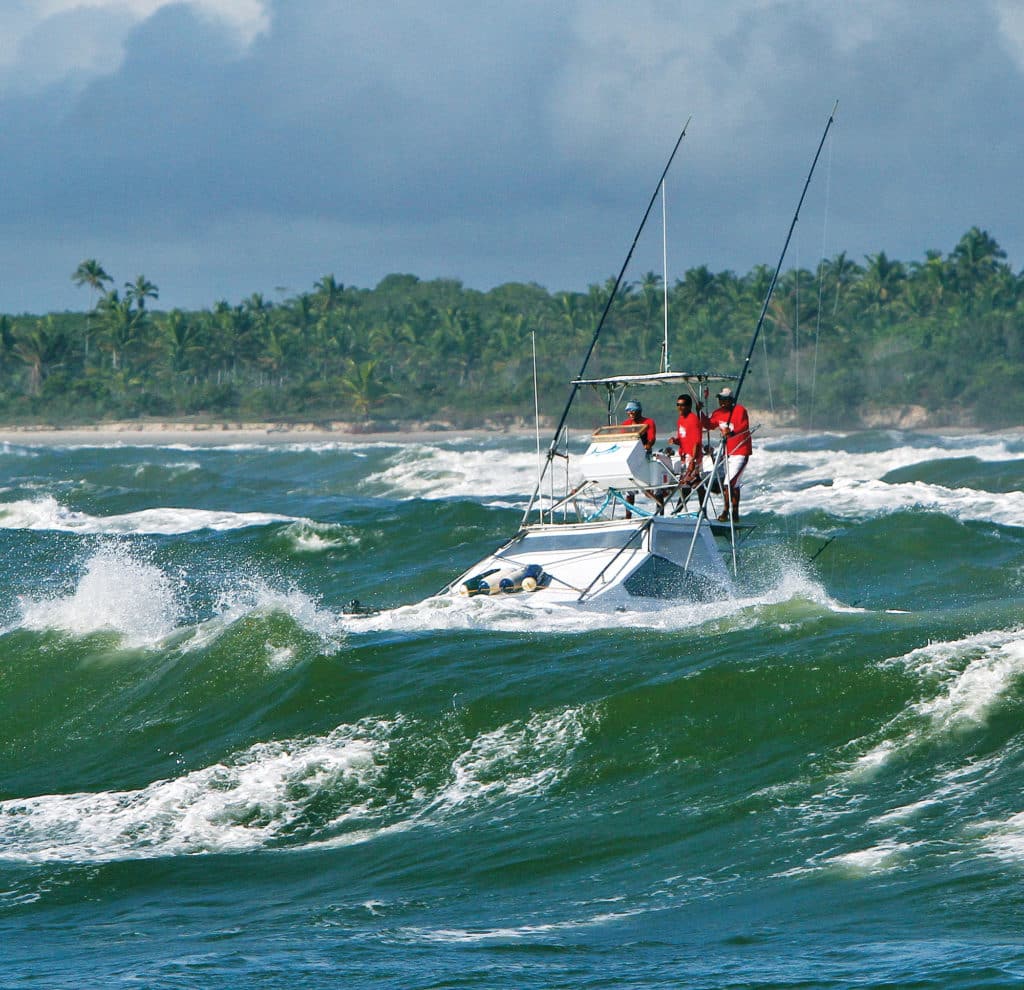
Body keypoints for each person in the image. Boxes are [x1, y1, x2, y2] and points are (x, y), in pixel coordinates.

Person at [700, 386, 751, 522]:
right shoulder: (718, 413)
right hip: (727, 453)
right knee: (732, 484)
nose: (722, 402)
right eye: (720, 399)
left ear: (731, 400)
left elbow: (744, 426)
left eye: (725, 399)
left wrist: (731, 433)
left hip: (740, 451)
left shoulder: (739, 410)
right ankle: (735, 512)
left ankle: (726, 511)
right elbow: (709, 425)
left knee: (729, 482)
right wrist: (700, 412)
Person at [622, 399, 656, 518]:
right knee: (629, 489)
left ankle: (659, 512)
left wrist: (648, 445)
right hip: (630, 458)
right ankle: (628, 517)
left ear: (639, 410)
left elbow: (652, 438)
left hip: (644, 456)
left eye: (633, 410)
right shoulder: (625, 424)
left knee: (647, 489)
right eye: (628, 410)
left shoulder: (648, 422)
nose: (630, 412)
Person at [670, 393, 702, 486]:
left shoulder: (693, 420)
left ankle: (701, 498)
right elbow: (682, 439)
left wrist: (693, 461)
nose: (679, 407)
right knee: (688, 485)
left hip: (692, 456)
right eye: (678, 405)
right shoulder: (680, 419)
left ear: (689, 406)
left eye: (682, 405)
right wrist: (675, 441)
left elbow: (697, 442)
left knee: (686, 484)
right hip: (684, 456)